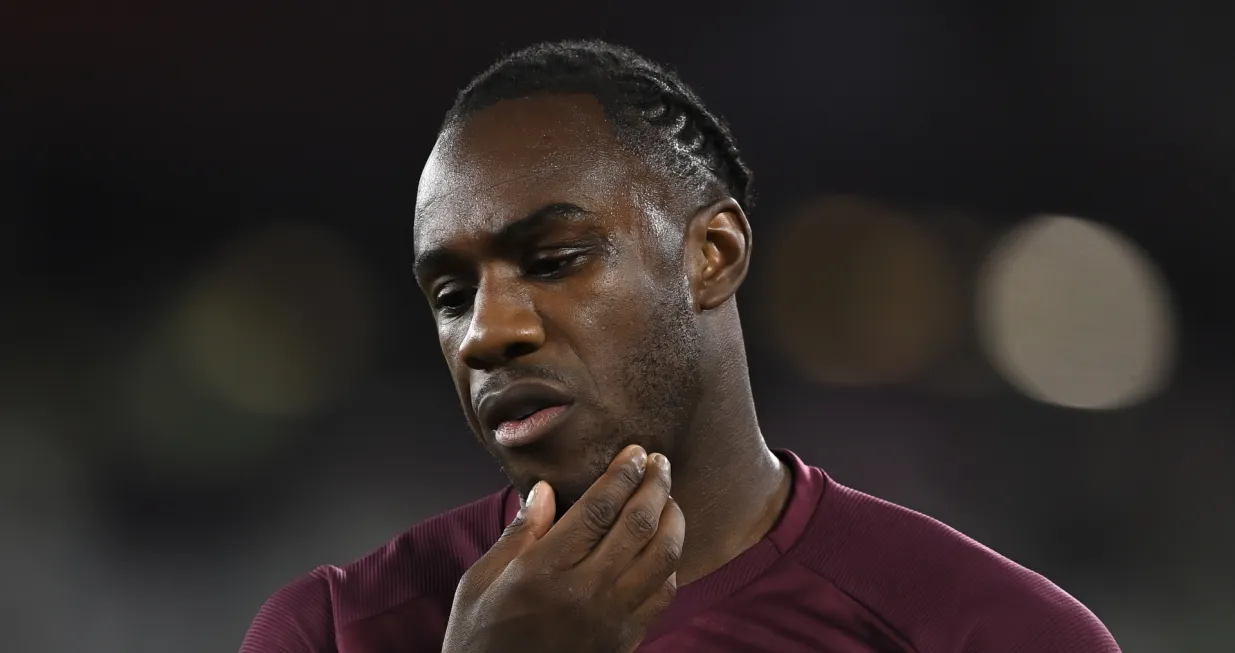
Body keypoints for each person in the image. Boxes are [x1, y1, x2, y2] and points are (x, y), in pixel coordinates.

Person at [240, 40, 1121, 652]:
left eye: (553, 260)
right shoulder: (332, 629)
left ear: (713, 256)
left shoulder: (988, 633)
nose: (487, 332)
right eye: (450, 294)